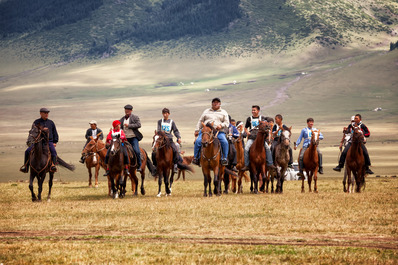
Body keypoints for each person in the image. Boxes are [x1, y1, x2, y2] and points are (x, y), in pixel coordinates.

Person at [192, 97, 230, 166]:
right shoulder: (206, 111)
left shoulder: (223, 112)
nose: (215, 104)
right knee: (198, 141)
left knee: (224, 142)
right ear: (212, 104)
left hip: (218, 131)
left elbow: (227, 123)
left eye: (217, 102)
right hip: (206, 131)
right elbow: (200, 121)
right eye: (214, 102)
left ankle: (224, 158)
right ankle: (196, 158)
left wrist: (221, 125)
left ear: (220, 104)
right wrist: (197, 130)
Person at [20, 108, 58, 173]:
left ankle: (53, 165)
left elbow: (55, 133)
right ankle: (25, 166)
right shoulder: (36, 122)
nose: (46, 114)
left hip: (48, 141)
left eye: (47, 113)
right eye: (45, 113)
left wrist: (55, 142)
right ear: (40, 113)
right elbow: (32, 132)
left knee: (54, 152)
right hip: (38, 142)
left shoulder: (51, 123)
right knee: (27, 151)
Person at [241, 105, 275, 171]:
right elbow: (245, 128)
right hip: (252, 137)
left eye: (254, 110)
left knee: (267, 148)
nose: (253, 111)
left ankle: (270, 164)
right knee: (246, 148)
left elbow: (267, 125)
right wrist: (247, 132)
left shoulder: (262, 118)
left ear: (258, 111)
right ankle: (247, 165)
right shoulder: (249, 118)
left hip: (260, 138)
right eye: (252, 110)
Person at [153, 108, 182, 174]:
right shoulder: (160, 121)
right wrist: (161, 134)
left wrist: (178, 137)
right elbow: (159, 130)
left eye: (166, 113)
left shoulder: (172, 122)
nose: (165, 115)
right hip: (161, 140)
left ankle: (175, 165)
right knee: (154, 151)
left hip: (169, 140)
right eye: (164, 113)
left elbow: (175, 131)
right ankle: (155, 166)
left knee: (175, 149)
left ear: (169, 114)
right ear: (162, 114)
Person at [120, 104, 143, 172]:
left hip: (133, 138)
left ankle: (139, 165)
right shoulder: (122, 119)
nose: (127, 111)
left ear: (131, 111)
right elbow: (119, 128)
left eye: (128, 110)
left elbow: (139, 125)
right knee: (120, 151)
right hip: (125, 139)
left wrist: (129, 125)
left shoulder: (135, 117)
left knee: (137, 151)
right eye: (126, 110)